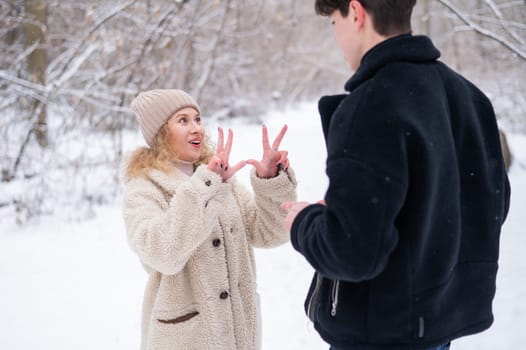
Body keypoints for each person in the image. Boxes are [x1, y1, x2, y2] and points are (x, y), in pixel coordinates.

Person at [281, 1, 511, 350]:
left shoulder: (370, 104)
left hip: (380, 333)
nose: (337, 36)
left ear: (356, 13)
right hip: (432, 328)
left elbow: (353, 252)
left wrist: (305, 222)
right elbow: (491, 205)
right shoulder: (469, 97)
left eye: (334, 23)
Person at [122, 89, 296, 350]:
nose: (197, 129)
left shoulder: (220, 179)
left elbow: (268, 233)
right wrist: (204, 186)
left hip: (238, 335)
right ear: (160, 132)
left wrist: (270, 182)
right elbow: (162, 254)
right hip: (186, 338)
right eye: (183, 120)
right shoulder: (143, 188)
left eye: (198, 119)